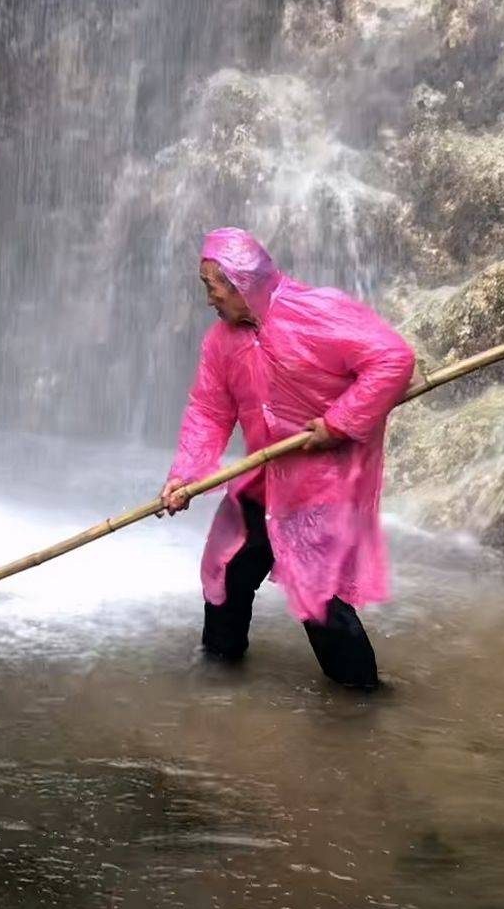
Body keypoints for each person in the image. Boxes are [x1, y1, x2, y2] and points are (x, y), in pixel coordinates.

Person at [161, 227, 416, 689]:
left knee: (318, 596)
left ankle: (363, 700)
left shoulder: (318, 312)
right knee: (230, 571)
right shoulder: (221, 342)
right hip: (263, 478)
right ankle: (216, 676)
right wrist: (185, 476)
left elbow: (393, 359)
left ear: (239, 283)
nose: (208, 300)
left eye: (210, 287)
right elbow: (208, 410)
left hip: (321, 485)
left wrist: (338, 423)